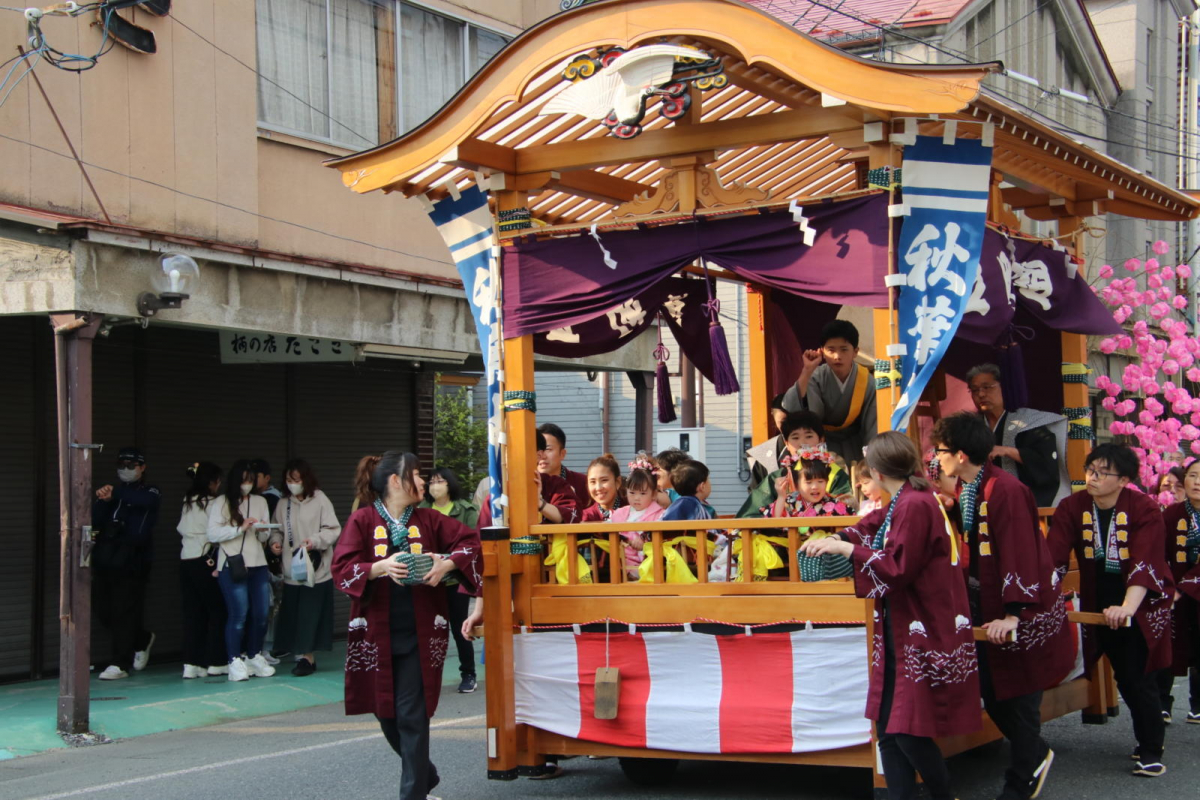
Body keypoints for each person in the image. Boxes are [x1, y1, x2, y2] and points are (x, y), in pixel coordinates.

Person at [801, 432, 979, 800]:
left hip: (920, 622)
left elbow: (898, 567)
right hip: (907, 622)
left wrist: (846, 548)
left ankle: (944, 794)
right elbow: (872, 526)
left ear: (878, 472)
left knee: (906, 729)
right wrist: (840, 537)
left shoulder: (914, 503)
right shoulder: (909, 497)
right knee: (888, 726)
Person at [931, 413, 1073, 800]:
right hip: (986, 601)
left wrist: (1014, 611)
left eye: (940, 451)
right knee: (995, 690)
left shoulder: (1005, 489)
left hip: (1018, 606)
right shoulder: (973, 486)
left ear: (960, 454)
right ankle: (1034, 756)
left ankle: (1023, 773)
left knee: (1018, 691)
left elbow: (1020, 552)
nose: (935, 457)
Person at [332, 451, 481, 800]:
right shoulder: (363, 520)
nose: (424, 482)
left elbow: (471, 543)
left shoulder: (430, 519)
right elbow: (341, 568)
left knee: (412, 715)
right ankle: (424, 774)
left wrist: (445, 564)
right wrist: (381, 567)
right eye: (417, 475)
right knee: (385, 713)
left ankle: (412, 794)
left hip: (421, 630)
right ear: (396, 481)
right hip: (374, 633)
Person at [1047, 443, 1173, 778]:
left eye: (1103, 473)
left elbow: (1146, 562)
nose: (1093, 477)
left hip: (1140, 601)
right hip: (1097, 597)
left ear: (1124, 480)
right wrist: (1041, 597)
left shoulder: (1144, 508)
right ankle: (1147, 738)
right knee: (1124, 673)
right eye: (1090, 470)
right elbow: (1053, 557)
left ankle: (1150, 749)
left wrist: (1128, 607)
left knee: (1137, 677)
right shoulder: (1072, 506)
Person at [91, 446, 161, 680]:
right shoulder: (113, 493)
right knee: (104, 612)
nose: (125, 469)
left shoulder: (149, 490)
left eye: (131, 465)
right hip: (106, 558)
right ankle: (141, 638)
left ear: (142, 467)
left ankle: (120, 663)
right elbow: (95, 520)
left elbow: (148, 501)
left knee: (124, 612)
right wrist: (102, 499)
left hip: (133, 562)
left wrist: (116, 495)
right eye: (121, 465)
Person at [207, 459, 277, 682]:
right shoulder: (221, 502)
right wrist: (240, 528)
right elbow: (213, 534)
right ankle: (234, 659)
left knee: (261, 614)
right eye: (244, 480)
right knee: (238, 614)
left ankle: (254, 655)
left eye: (251, 480)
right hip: (232, 564)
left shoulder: (260, 501)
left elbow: (264, 536)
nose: (247, 484)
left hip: (258, 563)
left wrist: (263, 530)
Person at [270, 459, 341, 677]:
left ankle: (307, 658)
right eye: (289, 480)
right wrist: (275, 541)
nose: (292, 484)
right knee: (293, 613)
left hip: (316, 569)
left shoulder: (320, 499)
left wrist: (314, 541)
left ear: (306, 479)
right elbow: (277, 529)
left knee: (310, 614)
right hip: (293, 569)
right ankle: (300, 654)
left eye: (296, 480)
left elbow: (333, 529)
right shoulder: (284, 503)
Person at [967, 364, 1070, 509]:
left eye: (987, 387)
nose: (981, 394)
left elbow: (1046, 463)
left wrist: (1008, 451)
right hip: (983, 504)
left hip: (1022, 503)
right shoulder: (970, 426)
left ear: (1004, 387)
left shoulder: (1029, 422)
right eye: (975, 390)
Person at [781, 319, 876, 466]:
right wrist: (807, 371)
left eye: (844, 349)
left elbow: (872, 425)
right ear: (822, 352)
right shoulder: (815, 377)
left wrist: (871, 458)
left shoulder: (867, 381)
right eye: (831, 350)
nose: (837, 356)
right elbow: (796, 410)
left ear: (855, 352)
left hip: (855, 445)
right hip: (821, 445)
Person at [419, 467, 480, 694]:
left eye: (440, 481)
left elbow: (473, 542)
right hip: (428, 580)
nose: (435, 485)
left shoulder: (465, 510)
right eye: (431, 481)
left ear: (450, 484)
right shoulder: (420, 510)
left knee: (460, 627)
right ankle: (427, 675)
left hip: (456, 580)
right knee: (429, 629)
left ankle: (468, 673)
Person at [737, 411, 852, 518]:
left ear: (821, 440)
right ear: (787, 444)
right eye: (795, 438)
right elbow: (751, 514)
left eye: (809, 436)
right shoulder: (780, 476)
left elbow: (847, 510)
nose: (802, 443)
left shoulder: (835, 474)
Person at [1157, 459, 1200, 725]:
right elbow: (1157, 553)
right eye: (1193, 475)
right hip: (1174, 593)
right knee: (1168, 647)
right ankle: (1162, 703)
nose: (1197, 482)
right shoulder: (1170, 515)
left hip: (1192, 589)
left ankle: (1197, 704)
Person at [177, 462, 228, 678]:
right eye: (217, 480)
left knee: (193, 612)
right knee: (217, 610)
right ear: (212, 482)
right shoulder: (215, 502)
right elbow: (217, 532)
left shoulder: (187, 501)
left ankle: (191, 663)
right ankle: (216, 661)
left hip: (185, 559)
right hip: (206, 558)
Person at [606, 458, 665, 580]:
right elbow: (607, 529)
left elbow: (664, 540)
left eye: (643, 493)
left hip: (650, 564)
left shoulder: (660, 515)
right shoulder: (620, 513)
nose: (636, 498)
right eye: (632, 493)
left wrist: (645, 543)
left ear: (654, 494)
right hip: (620, 564)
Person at [538, 423, 592, 511]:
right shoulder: (527, 484)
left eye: (548, 449)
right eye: (538, 450)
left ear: (562, 454)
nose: (542, 456)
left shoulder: (584, 484)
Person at [745, 392, 791, 485]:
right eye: (783, 422)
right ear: (773, 415)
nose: (788, 426)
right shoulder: (763, 453)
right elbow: (756, 492)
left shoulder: (816, 448)